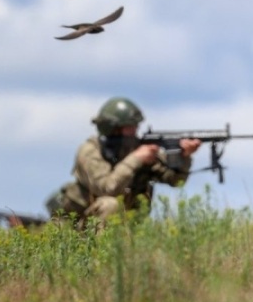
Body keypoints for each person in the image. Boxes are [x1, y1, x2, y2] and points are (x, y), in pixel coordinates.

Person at [46, 96, 201, 226]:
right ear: (113, 128)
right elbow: (107, 188)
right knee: (110, 204)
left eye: (135, 127)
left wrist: (184, 157)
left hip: (123, 227)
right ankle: (101, 260)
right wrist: (136, 159)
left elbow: (175, 180)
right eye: (130, 127)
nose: (135, 132)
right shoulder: (90, 151)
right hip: (77, 228)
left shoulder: (137, 149)